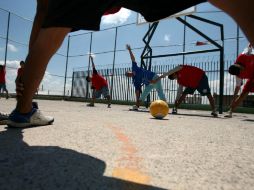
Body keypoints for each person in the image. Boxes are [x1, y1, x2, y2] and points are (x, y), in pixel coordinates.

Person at [8, 0, 254, 127]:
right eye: (127, 73)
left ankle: (23, 110)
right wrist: (137, 104)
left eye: (127, 72)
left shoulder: (138, 70)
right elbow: (139, 88)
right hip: (149, 83)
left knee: (51, 27)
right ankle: (26, 110)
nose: (127, 74)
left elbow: (43, 10)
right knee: (141, 92)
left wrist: (30, 65)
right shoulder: (134, 78)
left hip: (154, 79)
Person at [154, 64, 218, 117]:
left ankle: (214, 110)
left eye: (174, 77)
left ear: (173, 73)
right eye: (174, 78)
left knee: (208, 94)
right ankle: (175, 108)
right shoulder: (179, 80)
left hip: (200, 78)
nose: (176, 78)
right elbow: (180, 90)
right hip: (192, 83)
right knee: (183, 94)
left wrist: (160, 77)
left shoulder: (180, 67)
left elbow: (170, 71)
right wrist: (176, 99)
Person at [125, 44, 166, 109]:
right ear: (129, 77)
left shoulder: (134, 68)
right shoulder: (135, 80)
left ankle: (165, 106)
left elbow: (133, 59)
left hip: (154, 77)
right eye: (128, 75)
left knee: (160, 92)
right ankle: (137, 105)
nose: (129, 75)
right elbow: (137, 90)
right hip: (149, 83)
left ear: (130, 71)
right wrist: (137, 100)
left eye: (128, 73)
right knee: (144, 93)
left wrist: (129, 50)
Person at [225, 44, 254, 118]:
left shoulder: (246, 54)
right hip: (252, 76)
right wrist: (233, 100)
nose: (242, 71)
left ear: (239, 66)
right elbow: (237, 87)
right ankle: (230, 111)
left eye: (241, 70)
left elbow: (250, 44)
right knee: (242, 95)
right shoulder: (238, 75)